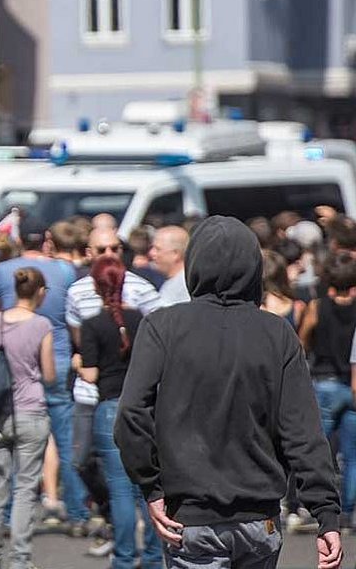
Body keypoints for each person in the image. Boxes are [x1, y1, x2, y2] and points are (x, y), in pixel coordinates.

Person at [116, 217, 343, 569]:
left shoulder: (162, 326)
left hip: (190, 514)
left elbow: (131, 413)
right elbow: (302, 432)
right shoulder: (275, 334)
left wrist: (152, 486)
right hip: (258, 516)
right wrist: (325, 512)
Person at [0, 217, 86, 532]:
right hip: (57, 358)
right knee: (65, 437)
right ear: (46, 239)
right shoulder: (64, 270)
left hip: (16, 359)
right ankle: (77, 512)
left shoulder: (5, 271)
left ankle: (8, 514)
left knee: (14, 436)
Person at [79, 256, 162, 569]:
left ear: (96, 286)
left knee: (120, 490)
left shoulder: (92, 324)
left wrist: (79, 364)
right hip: (143, 408)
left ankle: (124, 559)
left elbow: (89, 374)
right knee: (149, 488)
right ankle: (154, 557)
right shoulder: (141, 318)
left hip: (109, 407)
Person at [0, 266, 55, 569]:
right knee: (25, 487)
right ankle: (20, 558)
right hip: (31, 410)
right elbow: (48, 374)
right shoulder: (42, 325)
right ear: (40, 293)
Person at [299, 253, 356, 516]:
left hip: (323, 381)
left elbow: (303, 339)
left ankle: (313, 504)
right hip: (351, 382)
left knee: (317, 450)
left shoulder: (317, 307)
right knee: (352, 455)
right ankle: (348, 509)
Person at [150, 226, 190, 307]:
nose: (151, 253)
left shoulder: (182, 285)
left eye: (157, 249)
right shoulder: (174, 282)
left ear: (176, 254)